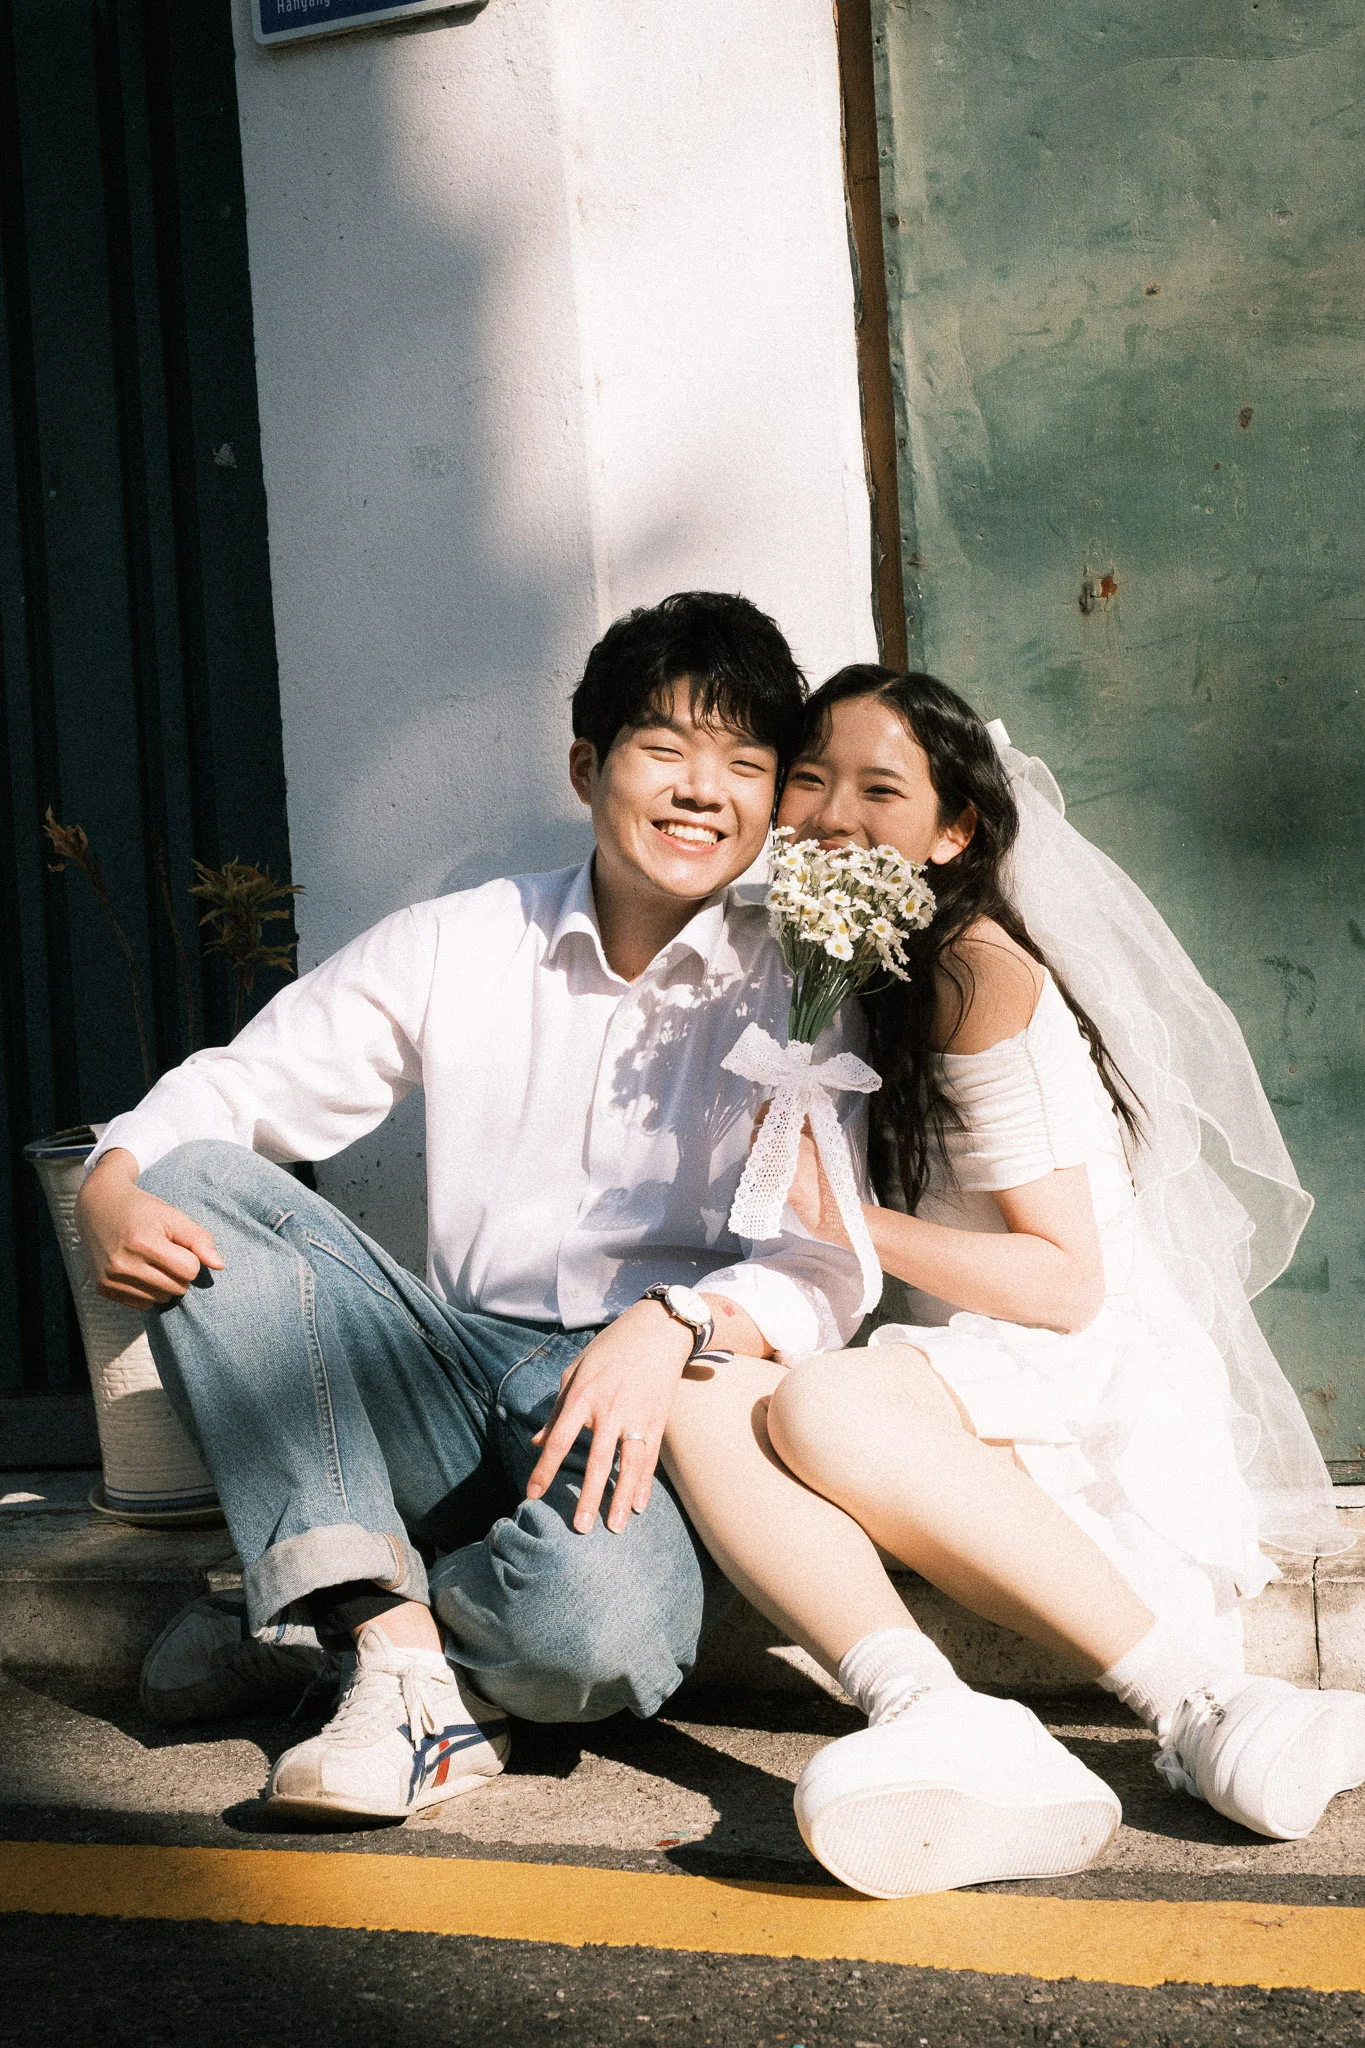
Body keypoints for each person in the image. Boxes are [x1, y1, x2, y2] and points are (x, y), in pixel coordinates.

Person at [73, 592, 867, 1826]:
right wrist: (109, 1184)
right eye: (664, 748)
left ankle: (310, 1618)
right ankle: (394, 1654)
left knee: (596, 1636)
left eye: (744, 764)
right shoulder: (463, 939)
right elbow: (244, 1085)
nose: (702, 791)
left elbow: (827, 1263)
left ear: (772, 803)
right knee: (193, 1179)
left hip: (640, 1400)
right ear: (588, 767)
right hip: (441, 1372)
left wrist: (676, 1321)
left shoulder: (803, 979)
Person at [662, 665, 1365, 1901]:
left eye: (881, 789)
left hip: (1076, 1372)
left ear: (955, 831)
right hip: (971, 1365)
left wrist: (849, 1217)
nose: (833, 816)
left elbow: (1065, 1282)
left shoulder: (972, 969)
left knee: (825, 1402)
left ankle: (1205, 1702)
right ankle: (932, 1708)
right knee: (699, 1386)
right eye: (811, 779)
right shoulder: (840, 953)